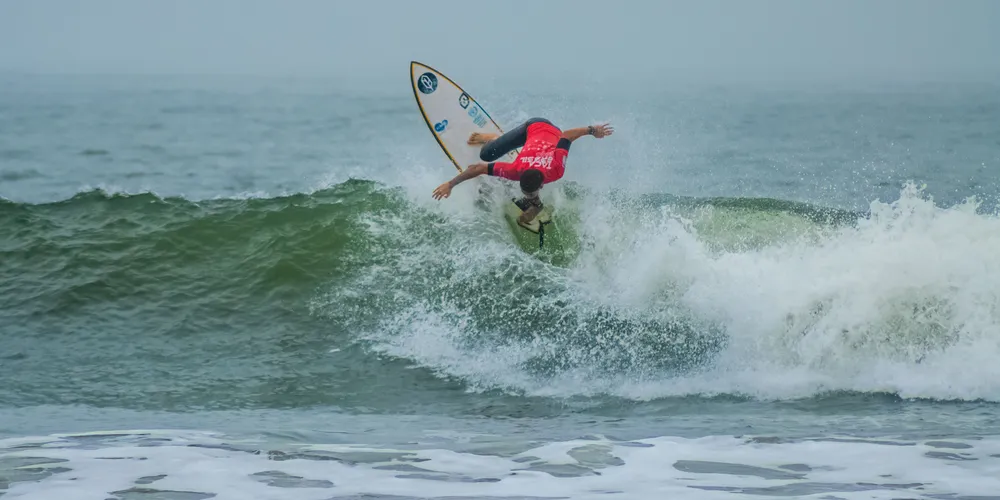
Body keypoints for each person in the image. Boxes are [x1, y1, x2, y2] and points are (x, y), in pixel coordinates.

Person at [431, 118, 614, 224]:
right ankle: (494, 138)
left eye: (530, 193)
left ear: (542, 184)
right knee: (487, 154)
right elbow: (477, 167)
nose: (528, 193)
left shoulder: (556, 168)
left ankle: (535, 206)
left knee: (523, 195)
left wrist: (592, 130)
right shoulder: (515, 170)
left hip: (546, 129)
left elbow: (565, 135)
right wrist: (450, 184)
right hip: (531, 129)